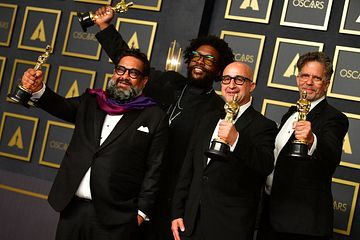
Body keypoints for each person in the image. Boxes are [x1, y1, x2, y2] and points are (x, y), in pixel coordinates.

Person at [93, 6, 234, 240]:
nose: (201, 61)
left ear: (219, 71)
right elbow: (129, 61)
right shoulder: (169, 83)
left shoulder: (218, 109)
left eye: (209, 60)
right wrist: (105, 26)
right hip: (136, 188)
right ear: (188, 61)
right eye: (197, 56)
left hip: (171, 198)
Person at [20, 49, 169, 240]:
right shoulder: (92, 101)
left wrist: (141, 212)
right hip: (72, 209)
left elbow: (155, 169)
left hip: (116, 218)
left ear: (144, 80)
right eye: (120, 70)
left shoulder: (154, 117)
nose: (124, 77)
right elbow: (62, 106)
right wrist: (39, 89)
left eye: (133, 73)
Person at [171, 62, 278, 240]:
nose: (231, 85)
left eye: (239, 80)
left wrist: (236, 140)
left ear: (251, 86)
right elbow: (188, 168)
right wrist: (177, 212)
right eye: (226, 79)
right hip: (189, 223)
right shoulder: (207, 118)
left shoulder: (264, 126)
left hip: (228, 227)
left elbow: (264, 165)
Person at [256, 51, 349, 240]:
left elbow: (331, 157)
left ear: (326, 84)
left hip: (301, 223)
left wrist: (312, 140)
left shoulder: (334, 118)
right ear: (298, 78)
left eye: (317, 78)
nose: (309, 82)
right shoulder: (290, 113)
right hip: (271, 214)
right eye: (305, 76)